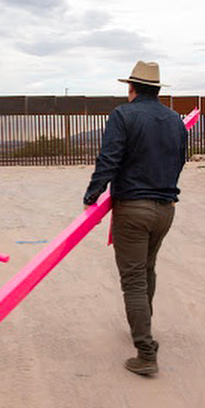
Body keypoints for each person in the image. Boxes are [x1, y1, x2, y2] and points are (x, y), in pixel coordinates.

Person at [82, 60, 189, 377]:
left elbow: (109, 158)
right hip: (165, 208)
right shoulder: (175, 121)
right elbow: (180, 160)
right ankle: (142, 326)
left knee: (133, 280)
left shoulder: (123, 115)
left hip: (133, 208)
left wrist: (93, 193)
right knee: (147, 269)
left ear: (131, 88)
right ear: (156, 89)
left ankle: (146, 352)